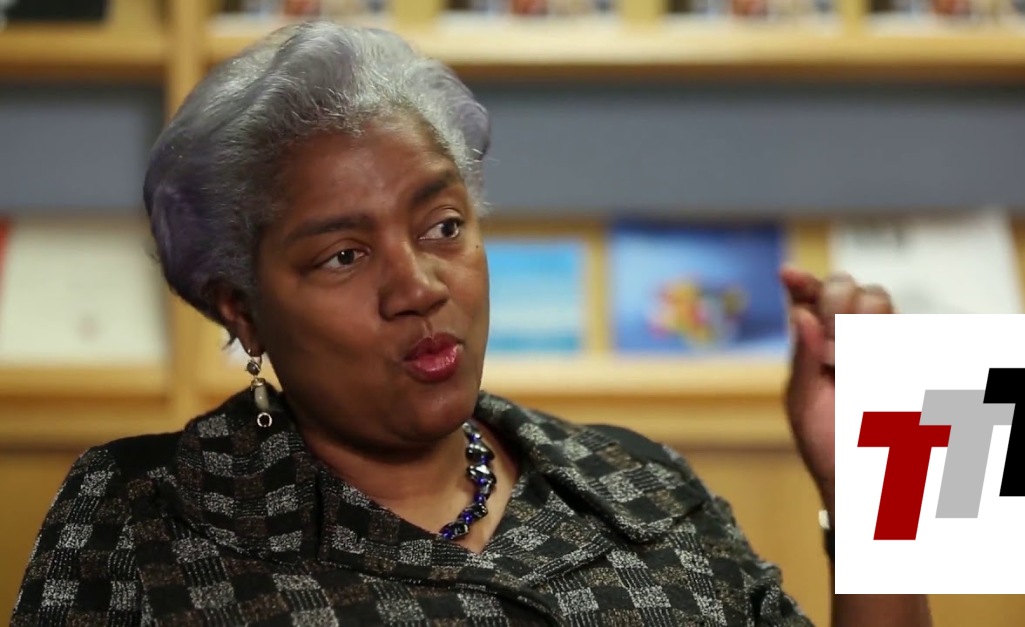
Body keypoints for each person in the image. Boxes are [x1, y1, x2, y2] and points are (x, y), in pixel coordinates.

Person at [10, 21, 931, 626]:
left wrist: (873, 483)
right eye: (344, 254)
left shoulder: (637, 481)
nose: (417, 285)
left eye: (442, 226)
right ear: (242, 309)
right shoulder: (142, 516)